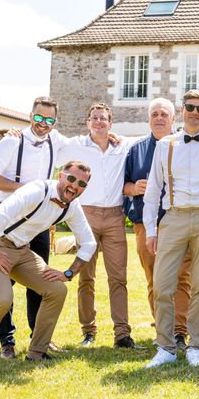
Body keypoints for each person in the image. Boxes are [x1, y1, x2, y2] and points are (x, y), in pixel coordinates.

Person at [0, 161, 97, 375]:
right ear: (61, 175)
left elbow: (89, 243)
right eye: (71, 179)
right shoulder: (36, 190)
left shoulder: (72, 206)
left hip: (22, 250)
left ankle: (37, 352)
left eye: (81, 184)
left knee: (57, 290)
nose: (74, 186)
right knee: (2, 300)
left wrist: (68, 273)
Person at [143, 90, 199, 368]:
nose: (195, 112)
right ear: (182, 111)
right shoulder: (165, 145)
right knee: (162, 284)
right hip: (173, 217)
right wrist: (151, 230)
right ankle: (166, 347)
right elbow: (154, 190)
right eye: (190, 107)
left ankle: (195, 345)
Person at [0, 96, 69, 358]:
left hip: (38, 221)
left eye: (49, 120)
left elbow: (85, 145)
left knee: (40, 281)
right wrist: (26, 190)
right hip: (7, 220)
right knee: (3, 283)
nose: (43, 124)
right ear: (30, 116)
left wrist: (111, 137)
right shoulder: (12, 140)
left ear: (55, 121)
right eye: (39, 118)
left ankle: (37, 337)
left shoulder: (57, 141)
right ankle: (6, 341)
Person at [57, 103, 141, 349]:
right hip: (86, 216)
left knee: (118, 278)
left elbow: (150, 138)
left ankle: (122, 335)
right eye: (94, 118)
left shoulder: (122, 145)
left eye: (103, 118)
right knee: (86, 277)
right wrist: (17, 132)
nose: (99, 122)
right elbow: (50, 143)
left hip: (115, 217)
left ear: (110, 123)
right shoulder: (76, 146)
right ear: (87, 122)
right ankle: (88, 332)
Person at [123, 98, 191, 351]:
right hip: (145, 222)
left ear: (174, 119)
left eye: (164, 114)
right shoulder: (136, 149)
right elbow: (124, 185)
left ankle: (180, 331)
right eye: (155, 114)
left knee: (183, 277)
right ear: (148, 118)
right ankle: (162, 329)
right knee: (154, 278)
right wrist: (133, 188)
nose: (159, 118)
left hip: (180, 221)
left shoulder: (186, 145)